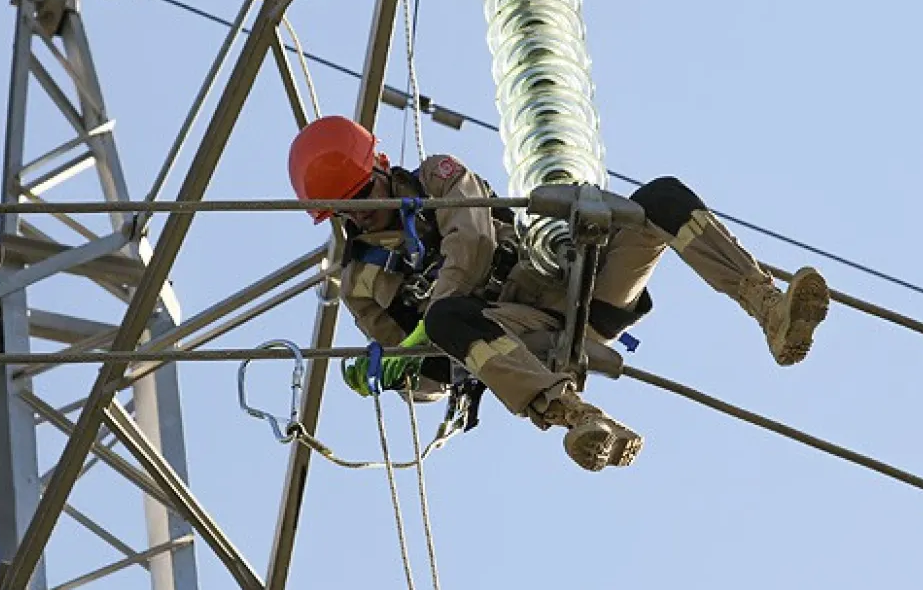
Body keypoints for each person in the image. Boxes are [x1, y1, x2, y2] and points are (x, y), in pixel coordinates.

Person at [287, 115, 830, 472]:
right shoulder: (358, 281)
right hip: (518, 339)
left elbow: (472, 239)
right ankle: (577, 417)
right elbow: (428, 372)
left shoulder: (436, 179)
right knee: (451, 322)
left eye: (367, 194)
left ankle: (768, 307)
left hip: (568, 287)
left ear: (381, 165)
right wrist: (400, 369)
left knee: (660, 198)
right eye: (349, 208)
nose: (367, 211)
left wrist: (430, 315)